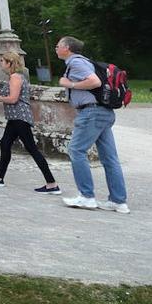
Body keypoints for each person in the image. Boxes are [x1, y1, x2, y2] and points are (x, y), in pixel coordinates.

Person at [57, 36, 129, 213]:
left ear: (67, 47)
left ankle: (86, 196)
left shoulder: (76, 63)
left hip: (91, 113)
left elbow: (94, 81)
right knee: (110, 158)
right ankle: (118, 201)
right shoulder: (86, 61)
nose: (56, 48)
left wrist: (69, 83)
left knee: (76, 150)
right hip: (104, 112)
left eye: (58, 45)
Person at [0, 51, 60, 193]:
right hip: (15, 118)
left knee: (32, 149)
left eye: (3, 61)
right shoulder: (15, 77)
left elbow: (13, 99)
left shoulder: (16, 77)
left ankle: (52, 184)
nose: (1, 63)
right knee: (5, 143)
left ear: (9, 63)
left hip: (20, 117)